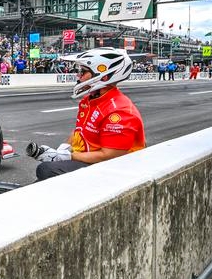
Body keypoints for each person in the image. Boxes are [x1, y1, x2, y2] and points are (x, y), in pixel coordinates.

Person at [34, 48, 145, 180]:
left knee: (45, 170)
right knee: (48, 167)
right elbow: (79, 131)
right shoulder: (89, 100)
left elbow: (110, 155)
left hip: (116, 169)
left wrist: (67, 156)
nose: (78, 76)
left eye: (83, 72)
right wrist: (62, 150)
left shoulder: (120, 111)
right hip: (93, 161)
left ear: (104, 76)